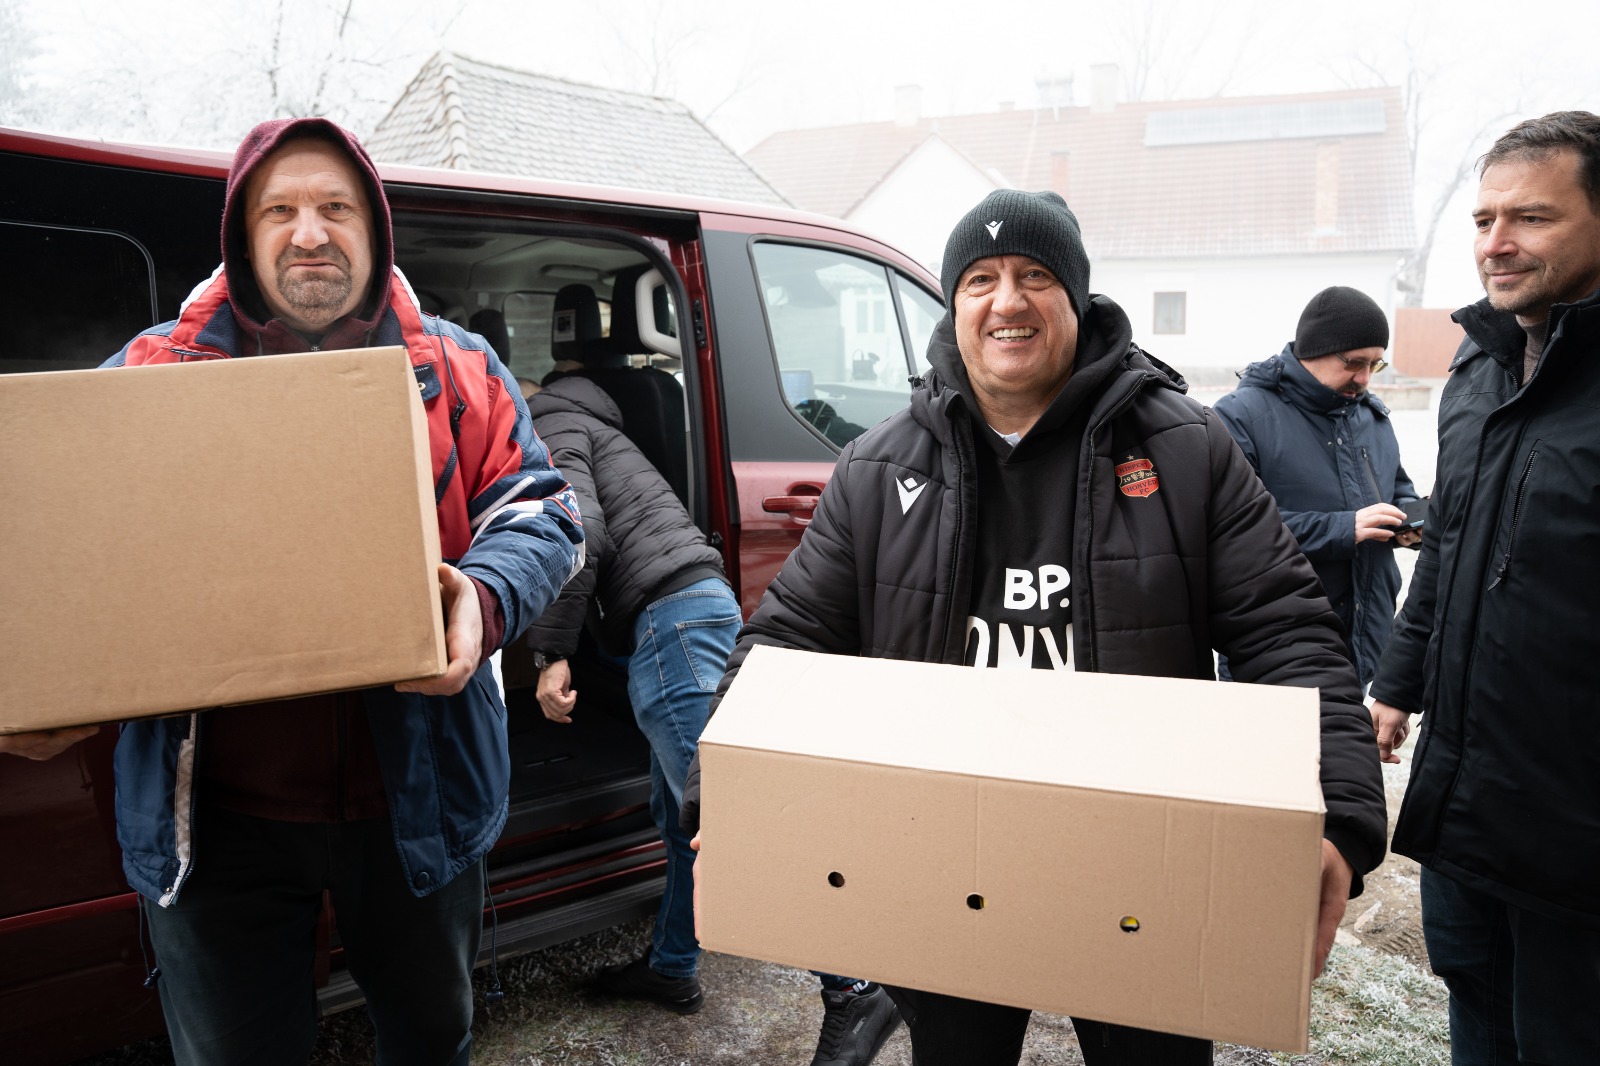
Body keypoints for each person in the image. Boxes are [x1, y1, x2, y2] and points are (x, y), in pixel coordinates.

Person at [680, 189, 1387, 1065]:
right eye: (978, 278)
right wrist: (726, 796)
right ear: (953, 303)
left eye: (1034, 276)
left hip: (1145, 849)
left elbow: (1289, 634)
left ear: (1077, 299)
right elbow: (785, 642)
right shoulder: (877, 466)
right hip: (944, 847)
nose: (1005, 301)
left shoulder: (1187, 449)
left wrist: (1342, 819)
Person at [1, 117, 584, 1066]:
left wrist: (482, 598)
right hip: (216, 824)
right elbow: (55, 551)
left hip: (422, 806)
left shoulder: (462, 369)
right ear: (242, 234)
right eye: (281, 210)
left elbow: (546, 514)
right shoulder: (149, 375)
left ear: (376, 228)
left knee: (432, 1040)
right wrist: (41, 673)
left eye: (335, 208)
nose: (310, 232)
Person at [1370, 111, 1600, 1065]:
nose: (1495, 244)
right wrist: (1397, 680)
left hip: (1577, 831)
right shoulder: (1478, 364)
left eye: (1532, 218)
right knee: (1477, 1015)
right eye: (1480, 220)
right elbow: (1453, 546)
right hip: (1468, 803)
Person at [519, 372, 739, 1015]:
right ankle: (672, 968)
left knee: (726, 819)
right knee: (680, 818)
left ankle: (850, 987)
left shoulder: (549, 424)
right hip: (695, 608)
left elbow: (578, 532)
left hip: (673, 621)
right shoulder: (596, 424)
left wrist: (552, 654)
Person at [1213, 286, 1422, 687]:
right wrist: (1344, 528)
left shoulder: (1371, 417)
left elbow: (1397, 490)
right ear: (1313, 350)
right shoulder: (1240, 417)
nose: (1363, 378)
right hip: (1274, 648)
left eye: (1375, 365)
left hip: (1364, 639)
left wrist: (1409, 523)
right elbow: (1230, 531)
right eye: (1354, 362)